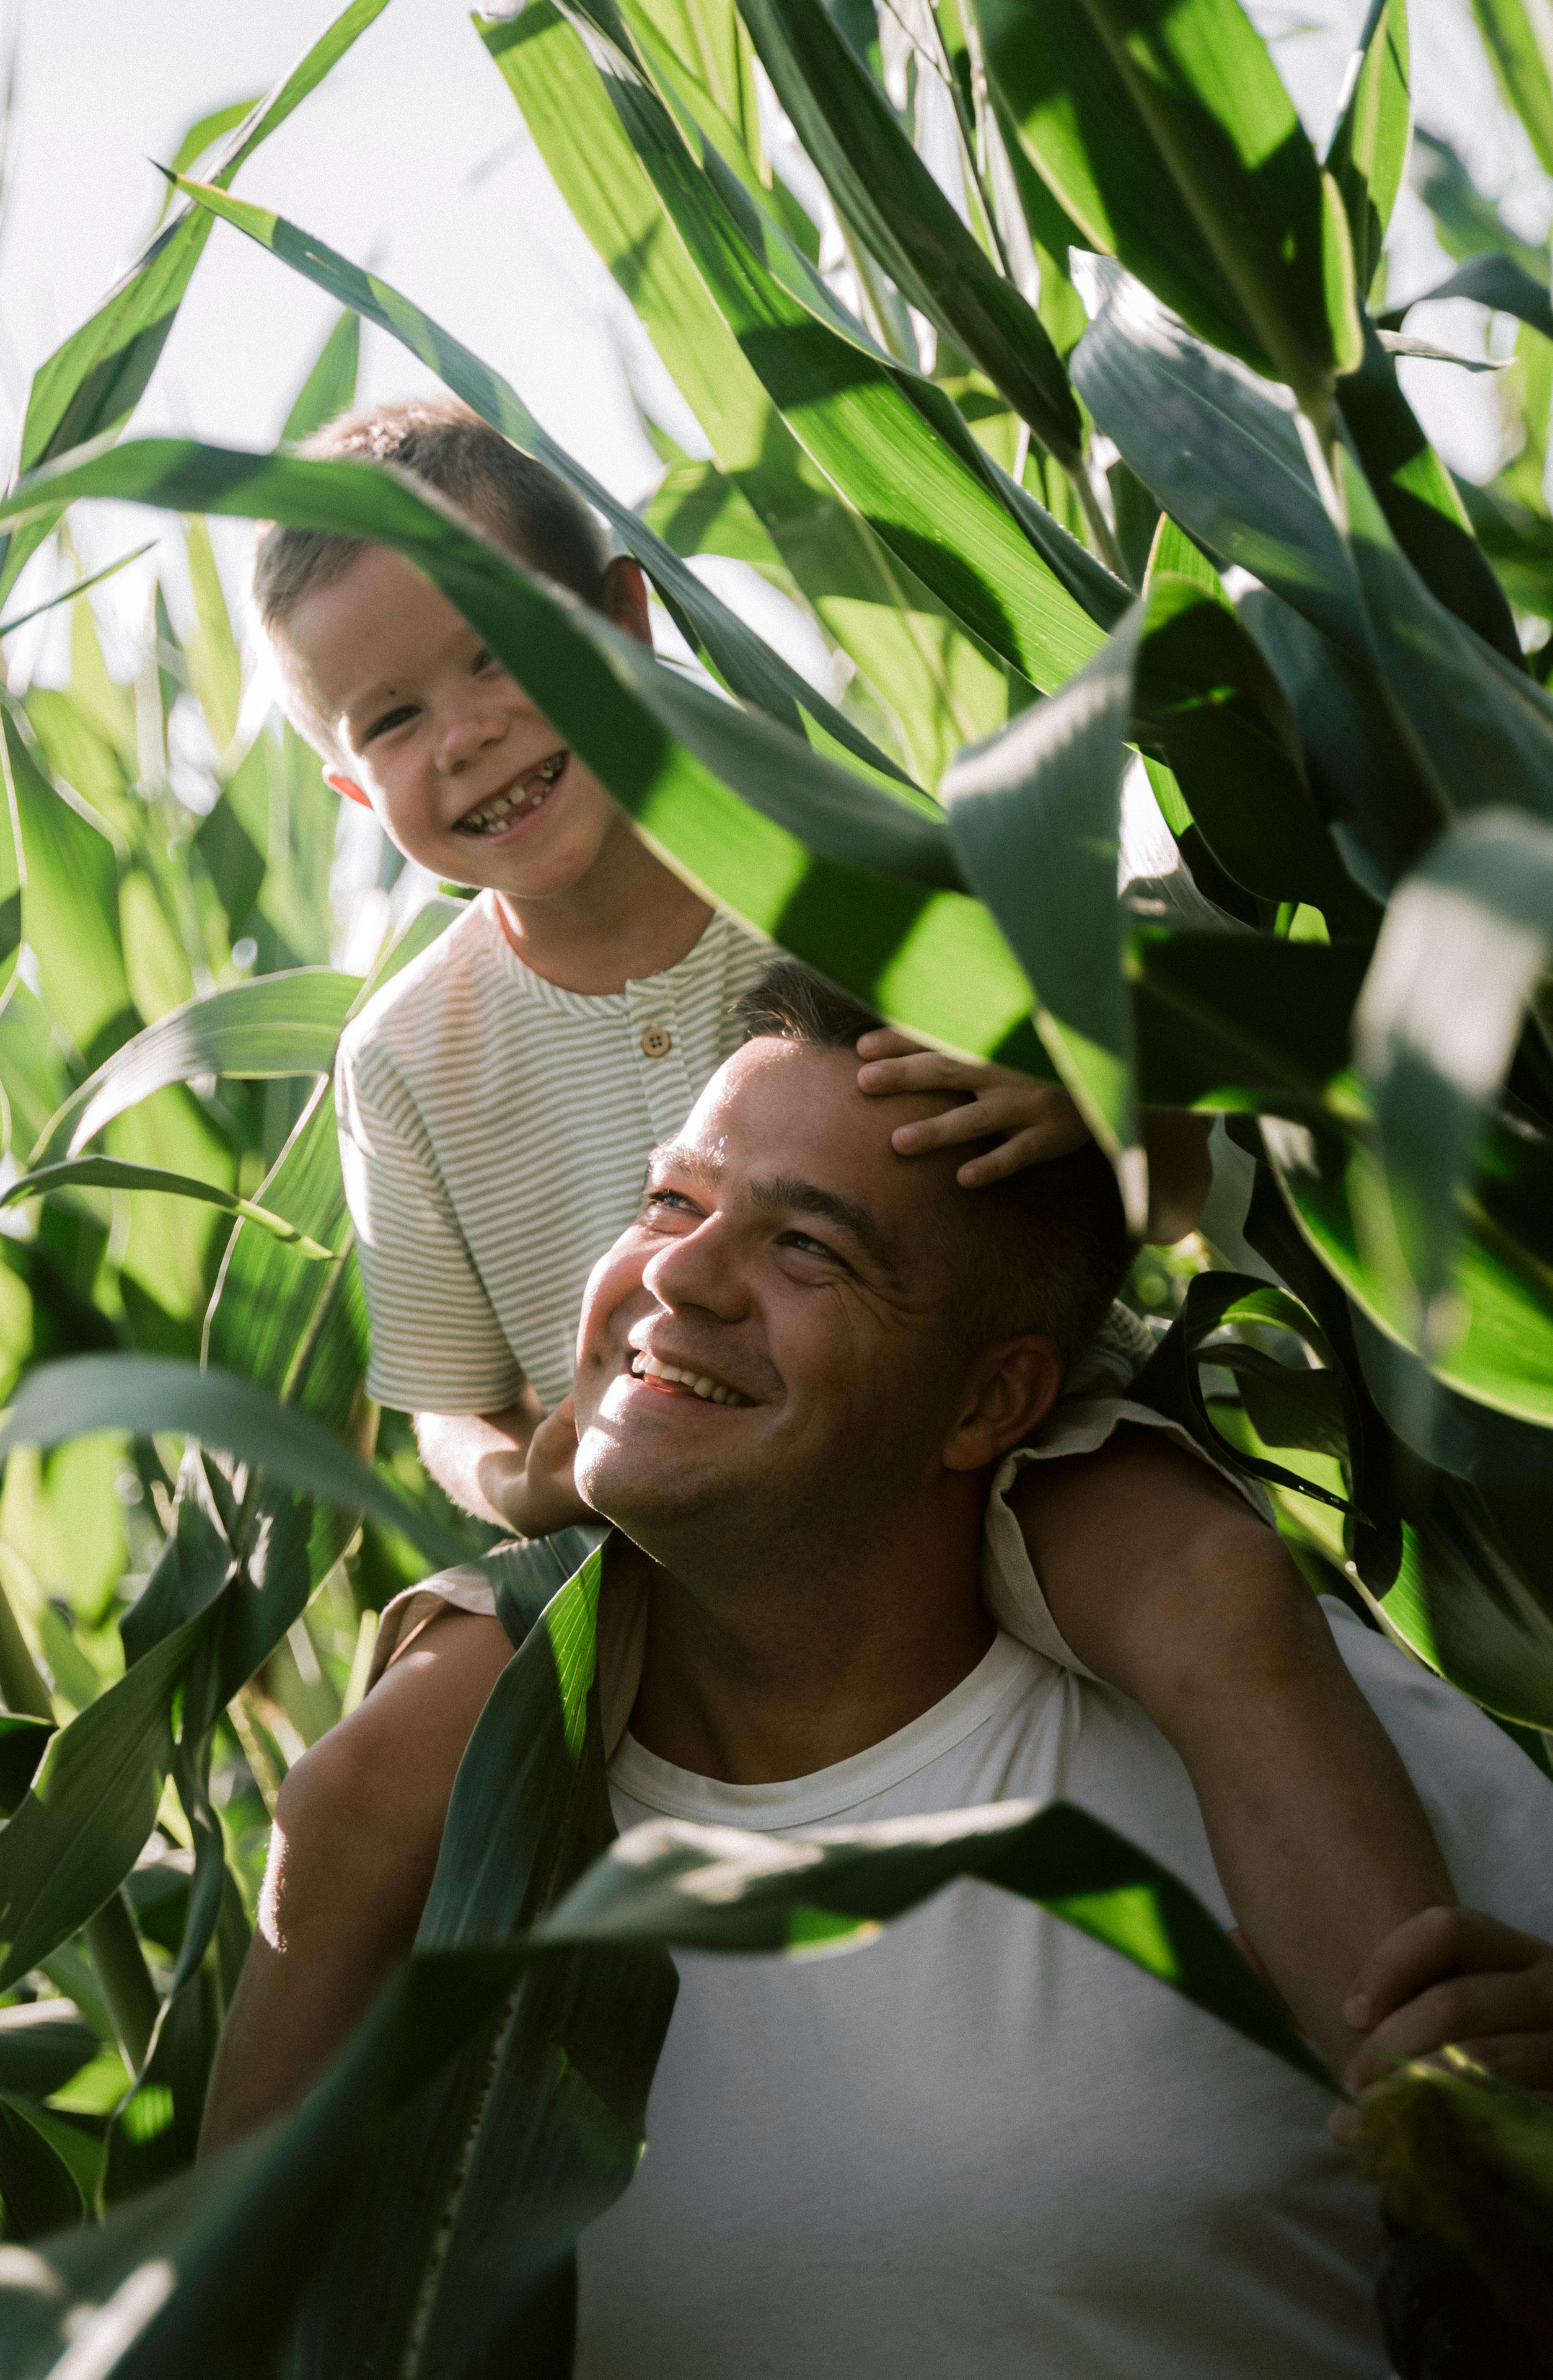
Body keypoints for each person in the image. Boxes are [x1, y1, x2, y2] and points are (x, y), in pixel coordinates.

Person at [198, 399, 1451, 2155]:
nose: (467, 733)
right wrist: (524, 1479)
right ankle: (226, 2273)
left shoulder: (864, 881)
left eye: (498, 651)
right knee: (345, 1801)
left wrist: (1093, 1087)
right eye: (391, 718)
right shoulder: (406, 1056)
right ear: (348, 786)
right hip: (629, 1526)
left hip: (988, 1444)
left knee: (1214, 1594)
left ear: (624, 619)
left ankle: (1445, 2107)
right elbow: (445, 1409)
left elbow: (1184, 1181)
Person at [561, 970, 1553, 2376]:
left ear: (992, 1402)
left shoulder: (1292, 1734)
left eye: (808, 1250)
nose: (676, 1275)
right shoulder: (477, 1835)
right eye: (671, 1201)